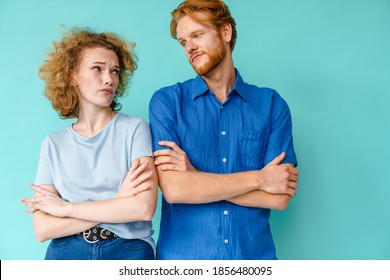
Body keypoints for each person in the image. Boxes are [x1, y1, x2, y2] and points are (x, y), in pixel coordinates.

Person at [149, 0, 299, 260]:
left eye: (197, 35)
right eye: (183, 42)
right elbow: (175, 190)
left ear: (225, 33)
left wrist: (195, 177)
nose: (190, 48)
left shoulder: (271, 105)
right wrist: (260, 179)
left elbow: (279, 198)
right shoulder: (168, 102)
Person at [21, 28, 158, 260]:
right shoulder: (53, 144)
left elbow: (142, 208)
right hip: (66, 251)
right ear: (73, 75)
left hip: (128, 250)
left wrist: (66, 209)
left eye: (114, 71)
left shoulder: (135, 129)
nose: (109, 79)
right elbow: (43, 229)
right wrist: (117, 203)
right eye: (97, 69)